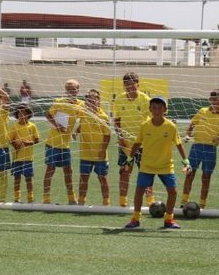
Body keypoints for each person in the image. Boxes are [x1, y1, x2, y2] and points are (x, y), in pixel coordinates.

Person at [123, 96, 190, 230]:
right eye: (154, 107)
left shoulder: (171, 126)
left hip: (165, 165)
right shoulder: (145, 126)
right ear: (150, 110)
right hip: (147, 165)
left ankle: (169, 219)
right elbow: (137, 143)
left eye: (160, 107)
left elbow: (179, 144)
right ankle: (135, 218)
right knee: (139, 190)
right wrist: (129, 160)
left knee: (173, 191)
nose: (157, 110)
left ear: (165, 110)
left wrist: (186, 161)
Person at [181, 89, 219, 209]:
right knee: (189, 174)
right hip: (196, 147)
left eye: (218, 100)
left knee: (206, 177)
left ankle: (202, 204)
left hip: (210, 150)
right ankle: (183, 202)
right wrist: (188, 134)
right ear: (210, 100)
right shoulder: (202, 111)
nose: (215, 102)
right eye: (213, 99)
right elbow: (192, 124)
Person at [112, 72, 151, 208]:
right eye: (126, 84)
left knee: (146, 172)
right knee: (125, 171)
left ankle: (150, 201)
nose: (129, 87)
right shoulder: (119, 99)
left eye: (132, 84)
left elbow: (152, 121)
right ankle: (123, 202)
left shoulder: (145, 99)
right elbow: (116, 120)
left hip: (143, 144)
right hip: (125, 144)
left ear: (138, 84)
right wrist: (120, 137)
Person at [43, 79, 83, 205]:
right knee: (50, 169)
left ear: (78, 90)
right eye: (69, 89)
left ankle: (72, 198)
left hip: (65, 144)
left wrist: (77, 131)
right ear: (66, 91)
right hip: (53, 142)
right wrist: (57, 126)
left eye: (74, 89)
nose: (71, 91)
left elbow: (84, 119)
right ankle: (46, 198)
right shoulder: (59, 102)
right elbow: (48, 115)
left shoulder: (81, 104)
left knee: (68, 171)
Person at [76, 89, 111, 206]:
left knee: (103, 178)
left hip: (99, 155)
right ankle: (81, 200)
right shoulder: (83, 113)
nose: (91, 101)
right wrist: (76, 131)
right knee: (83, 178)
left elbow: (107, 135)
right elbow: (82, 125)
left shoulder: (103, 117)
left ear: (98, 101)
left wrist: (102, 150)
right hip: (85, 153)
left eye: (94, 99)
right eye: (88, 99)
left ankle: (106, 202)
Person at [9, 102, 39, 203]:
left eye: (24, 113)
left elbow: (37, 140)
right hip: (17, 158)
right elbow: (10, 139)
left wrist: (27, 142)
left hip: (28, 158)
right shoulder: (14, 126)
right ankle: (17, 197)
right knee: (17, 178)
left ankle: (30, 196)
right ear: (17, 115)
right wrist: (15, 145)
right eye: (20, 113)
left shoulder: (32, 126)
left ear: (28, 114)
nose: (22, 116)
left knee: (28, 178)